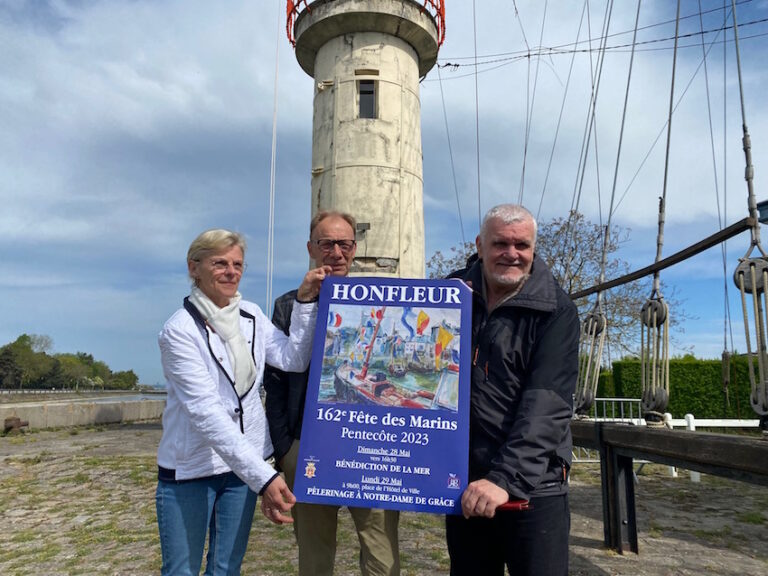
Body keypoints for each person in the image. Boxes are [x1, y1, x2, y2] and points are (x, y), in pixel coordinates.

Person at [156, 228, 330, 576]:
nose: (231, 272)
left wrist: (306, 302)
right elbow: (207, 414)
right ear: (194, 268)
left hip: (240, 471)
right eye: (219, 263)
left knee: (226, 568)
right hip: (192, 469)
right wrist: (264, 477)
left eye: (237, 264)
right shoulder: (179, 331)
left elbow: (292, 357)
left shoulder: (248, 313)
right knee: (181, 571)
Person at [445, 204, 579, 576]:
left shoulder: (557, 310)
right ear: (480, 245)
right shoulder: (448, 297)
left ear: (533, 248)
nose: (511, 253)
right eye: (500, 243)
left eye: (521, 244)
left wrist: (505, 479)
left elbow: (547, 405)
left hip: (534, 485)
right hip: (469, 484)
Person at [264, 211, 401, 576]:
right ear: (311, 248)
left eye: (344, 244)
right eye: (326, 243)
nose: (335, 252)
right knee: (314, 554)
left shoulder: (380, 300)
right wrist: (284, 449)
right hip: (306, 447)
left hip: (370, 451)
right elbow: (274, 381)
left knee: (381, 553)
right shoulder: (286, 305)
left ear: (355, 249)